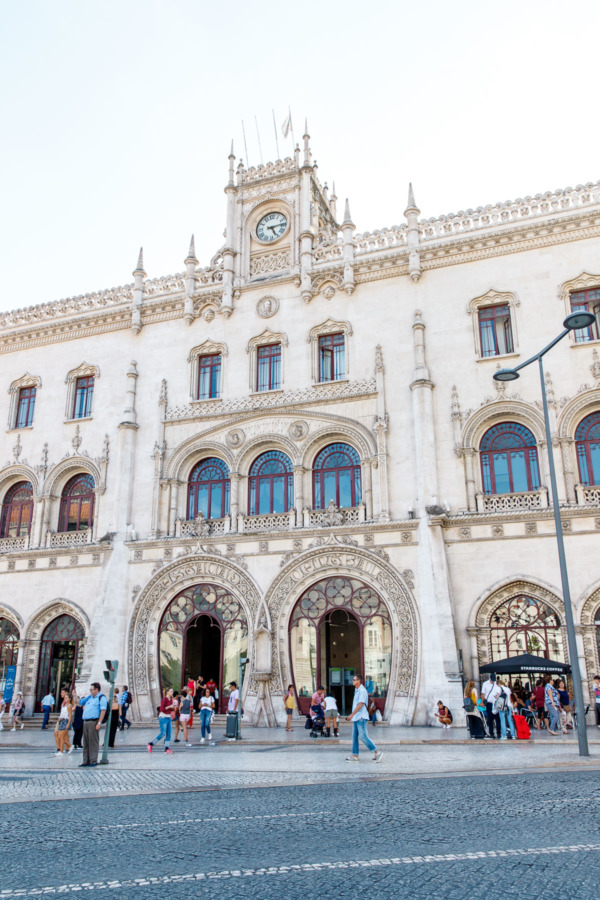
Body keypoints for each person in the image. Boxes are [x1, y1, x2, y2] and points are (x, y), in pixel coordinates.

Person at [345, 674, 383, 763]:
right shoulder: (357, 690)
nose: (352, 681)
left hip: (361, 717)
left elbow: (360, 704)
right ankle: (355, 755)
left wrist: (351, 715)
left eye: (354, 680)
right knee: (354, 736)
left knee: (363, 736)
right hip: (356, 717)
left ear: (359, 681)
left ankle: (376, 752)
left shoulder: (362, 690)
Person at [79, 682, 108, 767]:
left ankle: (93, 760)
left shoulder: (101, 697)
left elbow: (103, 710)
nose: (90, 691)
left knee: (93, 742)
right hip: (86, 721)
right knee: (86, 742)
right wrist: (74, 695)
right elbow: (80, 702)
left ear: (97, 690)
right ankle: (85, 760)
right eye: (90, 689)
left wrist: (99, 722)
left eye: (92, 689)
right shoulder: (89, 697)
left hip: (94, 721)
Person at [148, 688, 176, 754]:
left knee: (168, 734)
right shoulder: (164, 699)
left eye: (172, 691)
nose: (172, 692)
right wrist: (169, 706)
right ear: (167, 692)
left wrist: (172, 708)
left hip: (169, 717)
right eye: (171, 691)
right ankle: (151, 744)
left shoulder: (171, 699)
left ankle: (167, 748)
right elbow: (162, 709)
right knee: (163, 733)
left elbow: (170, 709)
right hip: (163, 717)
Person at [481, 673, 501, 739]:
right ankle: (491, 733)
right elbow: (483, 693)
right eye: (492, 680)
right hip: (489, 703)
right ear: (490, 678)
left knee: (497, 719)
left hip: (496, 703)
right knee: (490, 719)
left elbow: (499, 691)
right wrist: (482, 702)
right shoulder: (485, 684)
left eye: (494, 680)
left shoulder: (496, 684)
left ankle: (498, 733)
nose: (493, 681)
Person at [54, 691, 74, 755]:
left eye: (67, 698)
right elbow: (63, 714)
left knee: (61, 736)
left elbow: (70, 715)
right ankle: (70, 746)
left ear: (69, 699)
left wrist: (68, 724)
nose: (65, 699)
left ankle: (62, 751)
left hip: (66, 721)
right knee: (60, 736)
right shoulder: (64, 705)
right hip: (62, 720)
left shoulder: (69, 706)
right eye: (65, 698)